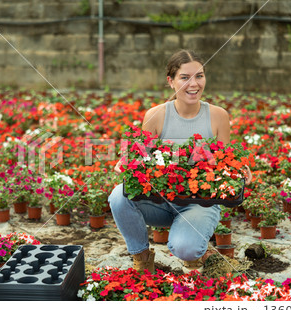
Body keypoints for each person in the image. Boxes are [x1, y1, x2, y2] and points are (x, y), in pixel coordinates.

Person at [108, 49, 252, 273]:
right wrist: (127, 163)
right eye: (184, 77)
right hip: (160, 202)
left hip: (201, 204)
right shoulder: (155, 115)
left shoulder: (218, 116)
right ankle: (142, 258)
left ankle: (195, 252)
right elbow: (141, 160)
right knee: (119, 196)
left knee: (185, 247)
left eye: (199, 76)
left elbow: (226, 162)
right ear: (171, 81)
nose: (193, 84)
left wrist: (238, 172)